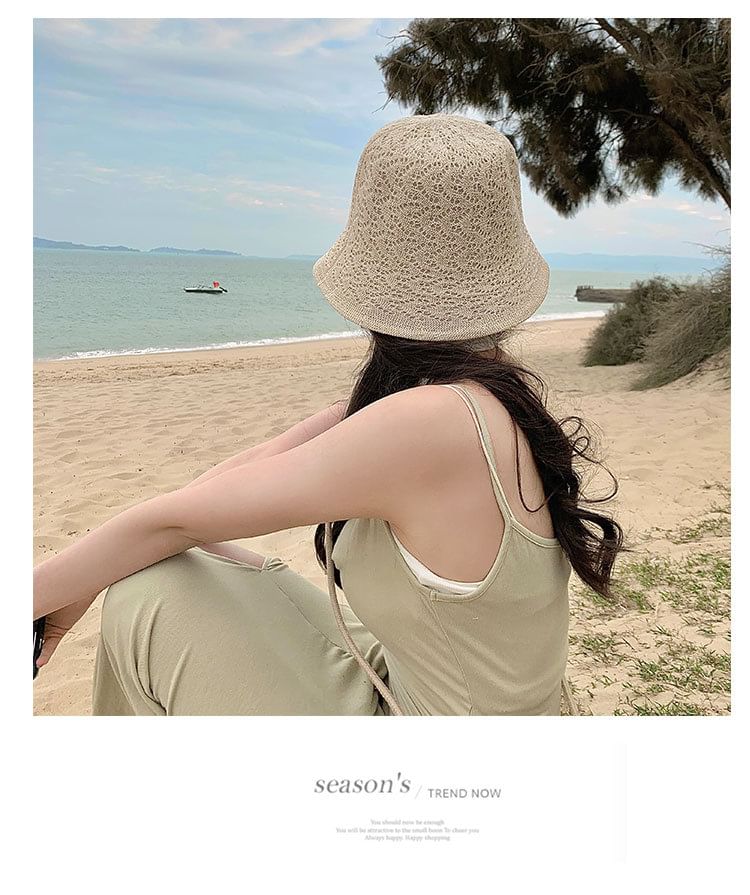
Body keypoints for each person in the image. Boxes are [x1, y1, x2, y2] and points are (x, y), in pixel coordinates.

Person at [33, 114, 625, 715]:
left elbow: (175, 522)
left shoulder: (433, 421)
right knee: (168, 562)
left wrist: (46, 596)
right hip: (413, 677)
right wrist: (81, 581)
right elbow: (219, 490)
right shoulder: (478, 393)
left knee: (145, 595)